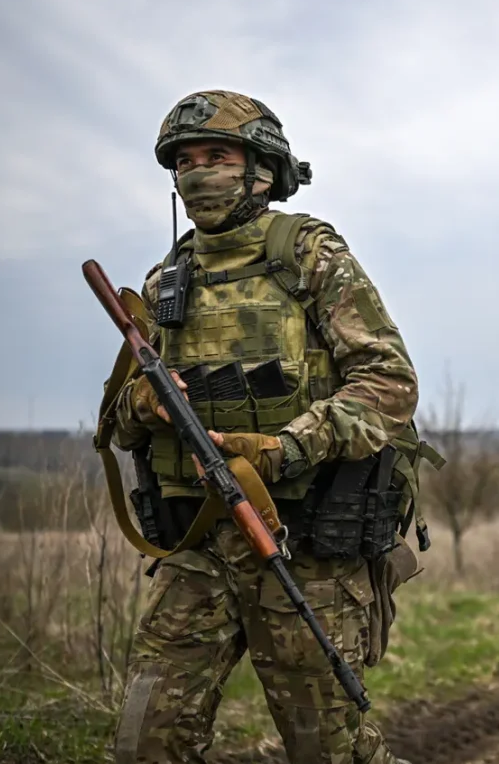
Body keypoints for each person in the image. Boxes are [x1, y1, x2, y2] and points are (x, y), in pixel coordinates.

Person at [103, 89, 431, 764]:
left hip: (301, 540)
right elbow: (119, 426)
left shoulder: (307, 254)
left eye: (216, 156)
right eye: (185, 161)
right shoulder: (168, 280)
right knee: (145, 740)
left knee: (326, 749)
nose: (198, 173)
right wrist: (143, 405)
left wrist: (286, 448)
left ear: (261, 169)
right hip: (196, 541)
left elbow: (388, 382)